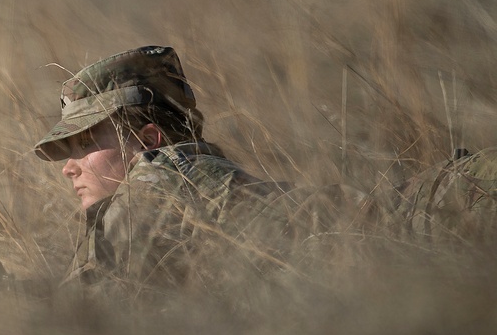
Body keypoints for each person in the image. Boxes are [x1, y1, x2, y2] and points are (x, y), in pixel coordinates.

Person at [34, 45, 497, 289]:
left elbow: (90, 308)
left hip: (456, 206)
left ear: (149, 140)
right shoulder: (188, 176)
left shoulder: (156, 181)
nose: (68, 168)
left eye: (85, 144)